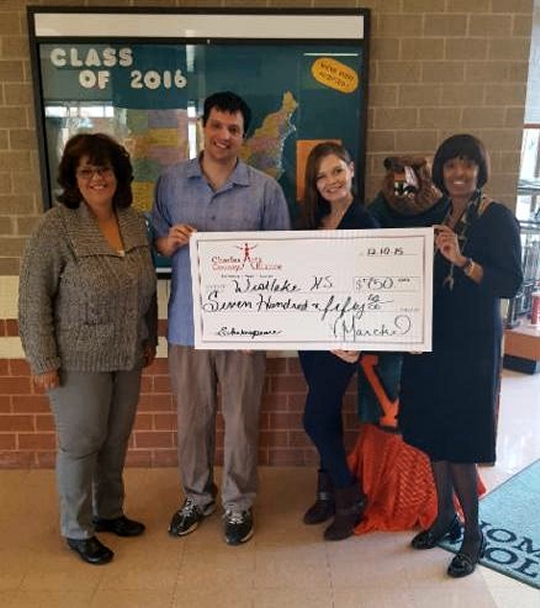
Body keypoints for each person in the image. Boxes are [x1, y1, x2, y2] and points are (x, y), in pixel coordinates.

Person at [151, 91, 290, 546]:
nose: (223, 136)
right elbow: (156, 244)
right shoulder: (171, 182)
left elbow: (282, 261)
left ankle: (238, 504)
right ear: (203, 127)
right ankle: (196, 497)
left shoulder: (265, 189)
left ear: (244, 136)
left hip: (245, 332)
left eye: (233, 129)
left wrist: (263, 328)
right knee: (192, 418)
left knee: (241, 417)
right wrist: (169, 243)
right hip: (189, 325)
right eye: (216, 126)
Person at [18, 133, 158, 565]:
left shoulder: (134, 221)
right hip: (77, 358)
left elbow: (145, 289)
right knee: (81, 442)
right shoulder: (55, 227)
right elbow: (32, 299)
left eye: (105, 169)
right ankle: (76, 528)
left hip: (128, 354)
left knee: (114, 440)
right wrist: (43, 361)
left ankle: (109, 512)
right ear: (73, 178)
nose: (98, 178)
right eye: (87, 171)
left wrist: (149, 337)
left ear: (118, 174)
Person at [398, 134, 523, 577]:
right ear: (441, 171)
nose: (459, 173)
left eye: (468, 165)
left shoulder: (496, 217)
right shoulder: (436, 214)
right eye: (451, 165)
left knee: (462, 440)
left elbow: (510, 284)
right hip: (432, 337)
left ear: (480, 169)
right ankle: (445, 518)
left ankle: (474, 532)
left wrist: (463, 260)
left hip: (470, 344)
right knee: (435, 433)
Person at [295, 141, 378, 541]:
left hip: (343, 341)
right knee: (325, 416)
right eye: (321, 176)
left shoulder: (366, 222)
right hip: (310, 336)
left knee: (313, 417)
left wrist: (362, 341)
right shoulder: (310, 221)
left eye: (336, 171)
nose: (330, 181)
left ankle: (349, 495)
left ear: (351, 169)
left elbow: (376, 289)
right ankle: (325, 491)